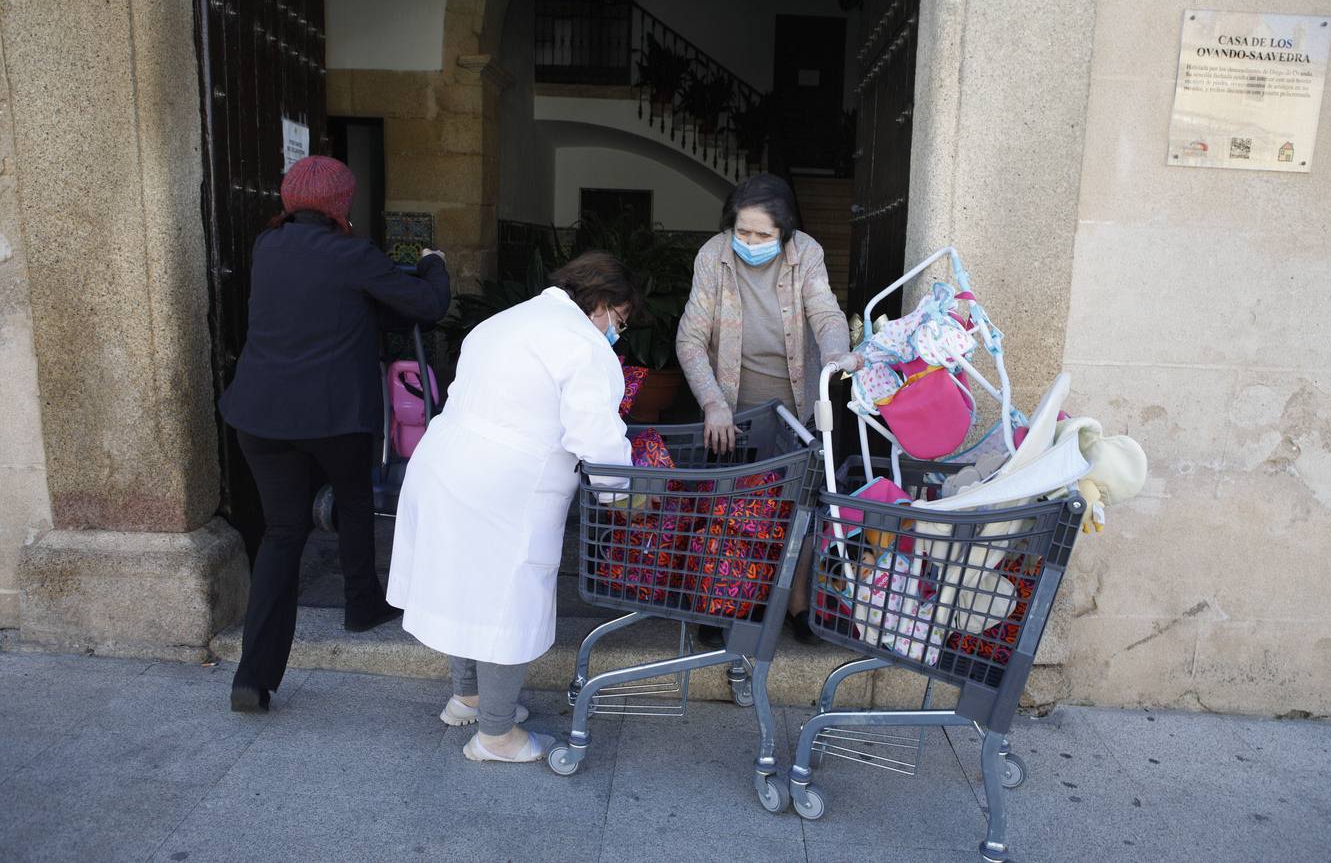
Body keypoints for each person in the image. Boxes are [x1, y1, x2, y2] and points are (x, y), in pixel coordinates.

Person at [387, 251, 643, 764]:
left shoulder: (508, 321)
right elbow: (596, 434)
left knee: (463, 586)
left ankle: (470, 698)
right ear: (602, 304)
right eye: (621, 319)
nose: (618, 331)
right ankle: (496, 737)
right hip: (503, 487)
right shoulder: (583, 346)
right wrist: (627, 498)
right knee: (504, 603)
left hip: (443, 464)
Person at [220, 155, 451, 713]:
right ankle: (360, 603)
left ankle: (252, 677)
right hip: (332, 416)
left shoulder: (266, 248)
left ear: (289, 198)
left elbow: (335, 304)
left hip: (260, 415)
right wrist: (433, 263)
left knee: (283, 532)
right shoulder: (352, 255)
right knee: (352, 500)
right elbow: (428, 304)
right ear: (340, 205)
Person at [675, 173, 861, 646]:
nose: (751, 243)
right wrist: (713, 403)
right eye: (743, 233)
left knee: (798, 502)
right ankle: (720, 599)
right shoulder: (713, 257)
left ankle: (797, 602)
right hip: (735, 406)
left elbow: (825, 313)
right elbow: (691, 338)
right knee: (728, 504)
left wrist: (837, 355)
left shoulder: (808, 254)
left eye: (763, 235)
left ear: (785, 232)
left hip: (798, 404)